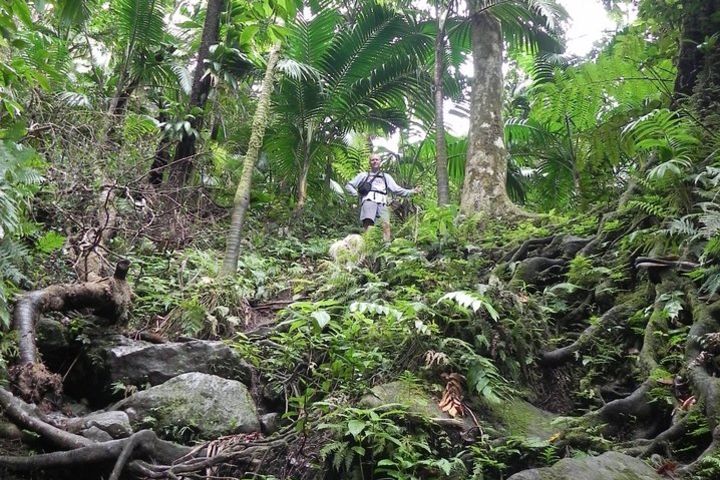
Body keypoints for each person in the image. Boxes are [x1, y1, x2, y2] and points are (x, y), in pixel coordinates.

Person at [345, 154, 419, 242]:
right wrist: (355, 194)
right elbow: (349, 185)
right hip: (369, 201)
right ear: (370, 162)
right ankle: (368, 246)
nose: (375, 161)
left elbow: (396, 189)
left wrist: (411, 192)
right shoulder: (363, 175)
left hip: (382, 203)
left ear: (380, 162)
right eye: (372, 160)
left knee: (386, 225)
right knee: (368, 225)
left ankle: (386, 246)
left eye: (377, 159)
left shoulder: (386, 177)